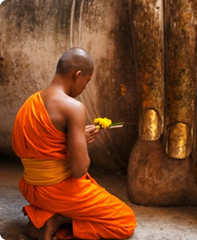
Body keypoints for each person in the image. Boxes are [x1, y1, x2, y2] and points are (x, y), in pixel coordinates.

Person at [12, 47, 136, 240]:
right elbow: (79, 169)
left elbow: (38, 148)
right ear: (77, 75)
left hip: (31, 187)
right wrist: (80, 144)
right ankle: (60, 219)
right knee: (125, 220)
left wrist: (74, 139)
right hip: (56, 191)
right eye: (86, 81)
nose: (84, 88)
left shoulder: (30, 103)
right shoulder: (73, 107)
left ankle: (42, 220)